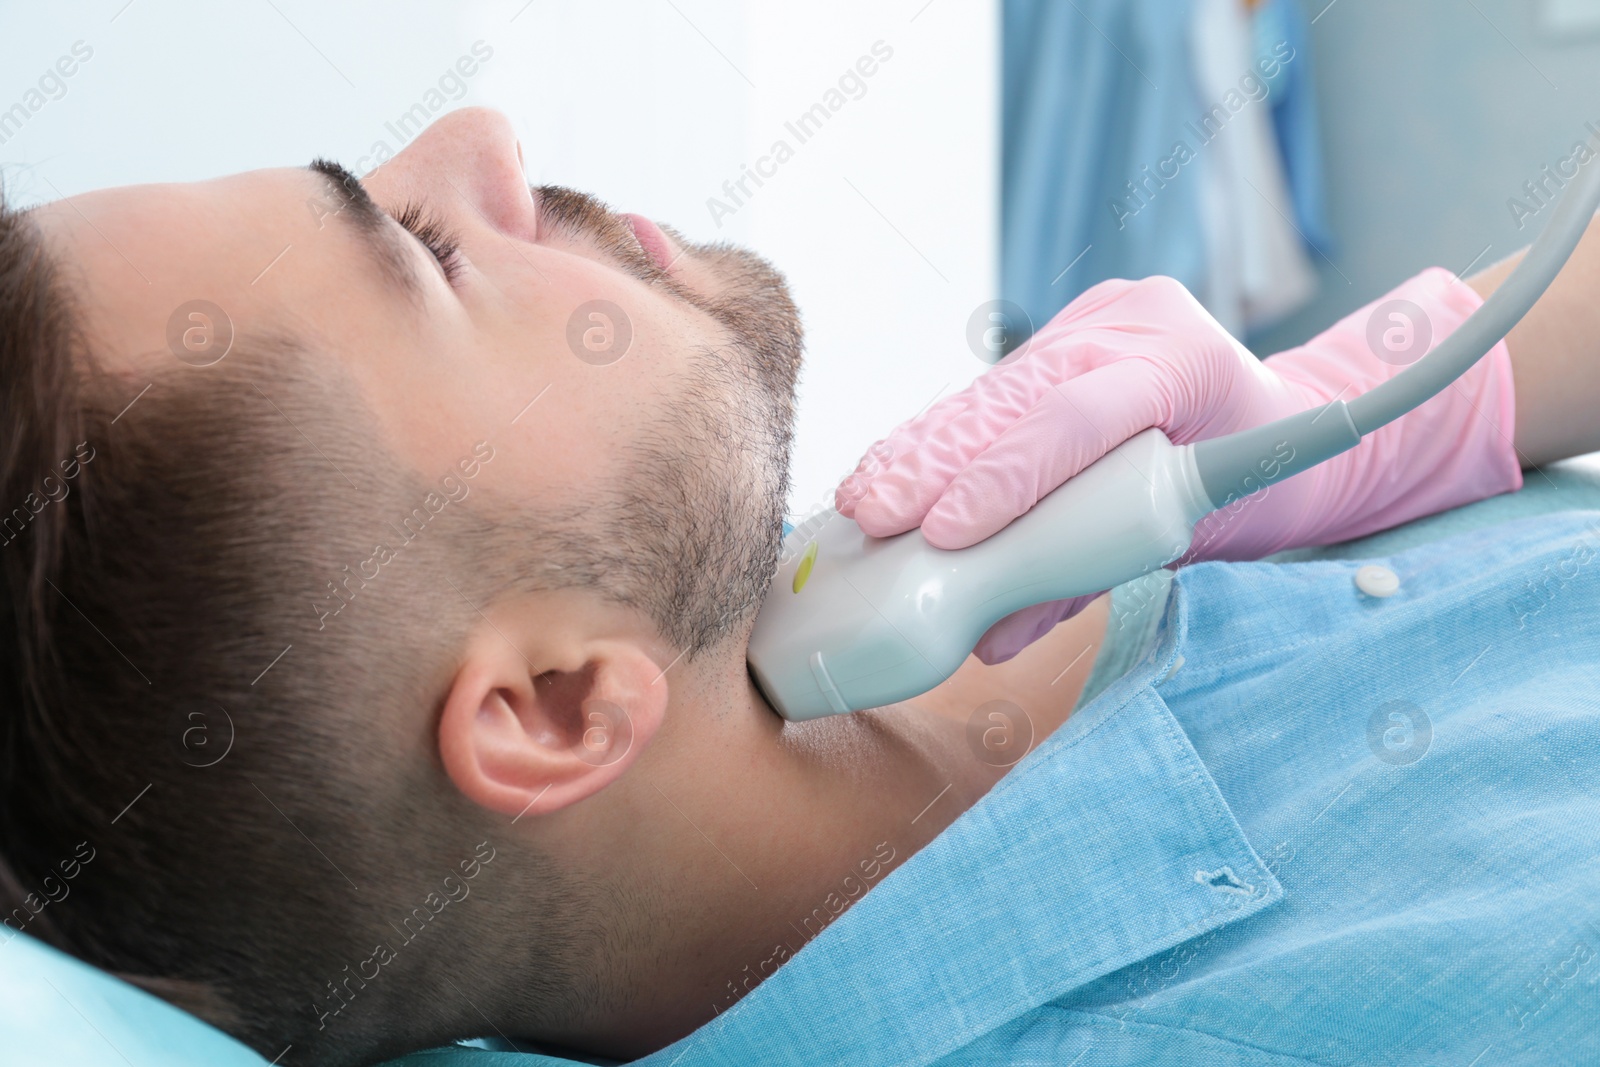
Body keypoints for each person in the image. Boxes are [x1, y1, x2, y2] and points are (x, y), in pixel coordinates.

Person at [0, 105, 1597, 1067]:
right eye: (422, 252)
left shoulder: (942, 559)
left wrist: (1446, 390)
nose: (484, 146)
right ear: (557, 709)